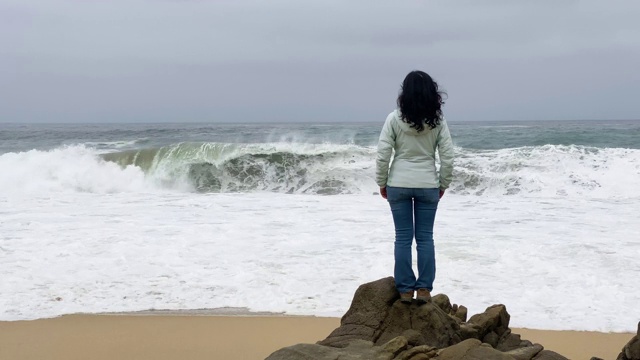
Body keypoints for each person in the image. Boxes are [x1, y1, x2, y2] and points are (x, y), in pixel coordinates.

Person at [375, 70, 454, 304]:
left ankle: (405, 290)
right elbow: (448, 156)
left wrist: (382, 182)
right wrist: (443, 183)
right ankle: (424, 290)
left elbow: (383, 154)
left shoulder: (393, 119)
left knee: (402, 238)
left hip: (398, 183)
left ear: (404, 93)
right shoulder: (438, 121)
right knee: (425, 238)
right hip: (427, 184)